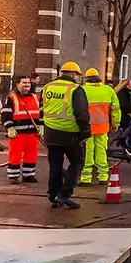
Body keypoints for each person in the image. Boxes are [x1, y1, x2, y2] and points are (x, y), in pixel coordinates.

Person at [40, 61, 90, 209]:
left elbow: (43, 109)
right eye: (78, 75)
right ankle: (64, 194)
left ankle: (53, 195)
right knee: (77, 162)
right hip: (69, 133)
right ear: (74, 74)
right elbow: (81, 114)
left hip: (51, 133)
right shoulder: (76, 89)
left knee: (55, 165)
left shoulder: (47, 87)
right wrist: (86, 132)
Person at [78, 67, 121, 186]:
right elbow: (115, 109)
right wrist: (115, 124)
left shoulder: (82, 90)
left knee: (88, 151)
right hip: (103, 127)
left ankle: (86, 178)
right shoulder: (108, 90)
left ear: (86, 79)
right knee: (101, 150)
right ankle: (103, 176)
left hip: (87, 128)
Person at [1, 76, 42, 184]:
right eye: (24, 83)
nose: (27, 85)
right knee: (15, 154)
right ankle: (13, 176)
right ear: (17, 84)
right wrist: (9, 127)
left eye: (28, 83)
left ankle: (28, 175)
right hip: (17, 133)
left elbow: (41, 112)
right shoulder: (11, 97)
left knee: (32, 154)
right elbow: (5, 114)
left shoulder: (35, 97)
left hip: (32, 133)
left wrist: (41, 125)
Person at [113, 79, 131, 155]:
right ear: (127, 86)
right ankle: (122, 139)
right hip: (121, 118)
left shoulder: (127, 93)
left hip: (124, 117)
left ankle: (129, 151)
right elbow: (126, 107)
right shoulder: (122, 94)